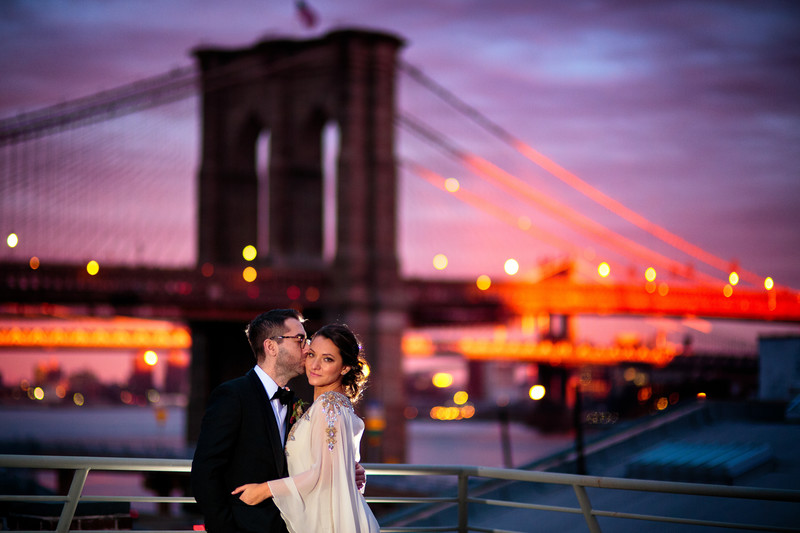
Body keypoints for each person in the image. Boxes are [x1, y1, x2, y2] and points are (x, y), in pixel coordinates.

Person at [231, 323, 380, 533]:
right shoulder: (337, 405)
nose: (315, 365)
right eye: (311, 354)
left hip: (327, 523)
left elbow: (324, 474)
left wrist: (264, 490)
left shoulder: (330, 406)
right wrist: (346, 471)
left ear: (345, 367)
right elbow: (339, 472)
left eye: (327, 359)